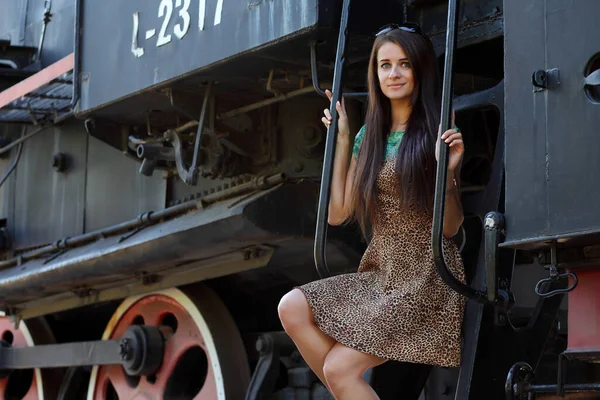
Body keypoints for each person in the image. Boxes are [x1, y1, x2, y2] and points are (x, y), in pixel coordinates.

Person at [278, 22, 466, 399]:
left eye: (404, 64)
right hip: (381, 271)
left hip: (426, 275)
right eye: (384, 65)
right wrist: (344, 138)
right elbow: (338, 213)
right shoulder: (369, 136)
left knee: (338, 369)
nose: (393, 74)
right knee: (292, 307)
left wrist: (446, 176)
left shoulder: (435, 130)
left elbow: (450, 228)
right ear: (375, 73)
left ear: (420, 70)